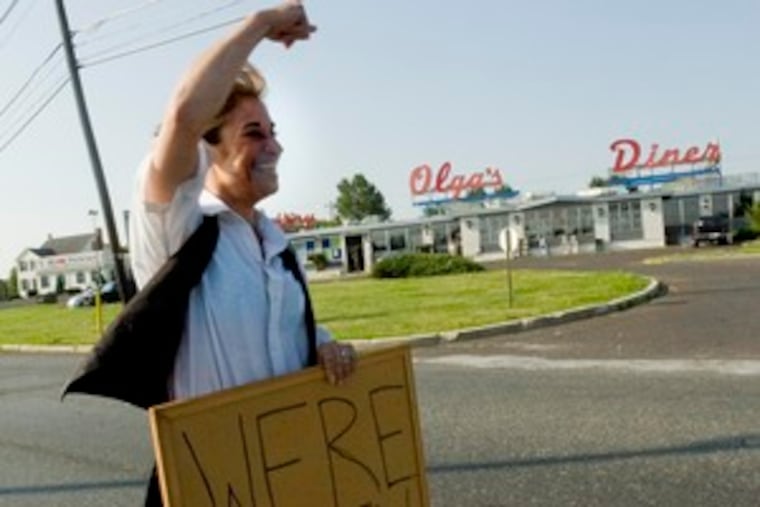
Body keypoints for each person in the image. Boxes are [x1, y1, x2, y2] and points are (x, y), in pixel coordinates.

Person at [126, 2, 357, 504]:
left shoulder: (276, 246)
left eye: (274, 133)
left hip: (282, 480)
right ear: (208, 150)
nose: (273, 146)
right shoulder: (180, 227)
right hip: (208, 484)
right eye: (253, 133)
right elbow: (185, 116)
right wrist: (260, 24)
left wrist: (325, 347)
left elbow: (275, 336)